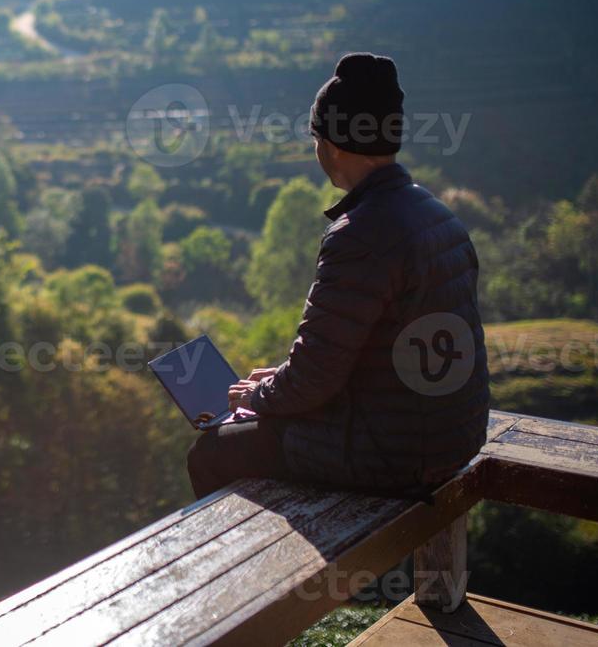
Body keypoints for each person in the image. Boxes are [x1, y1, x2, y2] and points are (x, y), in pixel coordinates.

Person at [186, 52, 489, 499]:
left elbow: (316, 377)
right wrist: (275, 383)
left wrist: (256, 399)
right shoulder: (436, 214)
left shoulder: (360, 234)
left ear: (333, 145)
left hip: (396, 453)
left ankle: (270, 567)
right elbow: (361, 353)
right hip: (451, 437)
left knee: (211, 451)